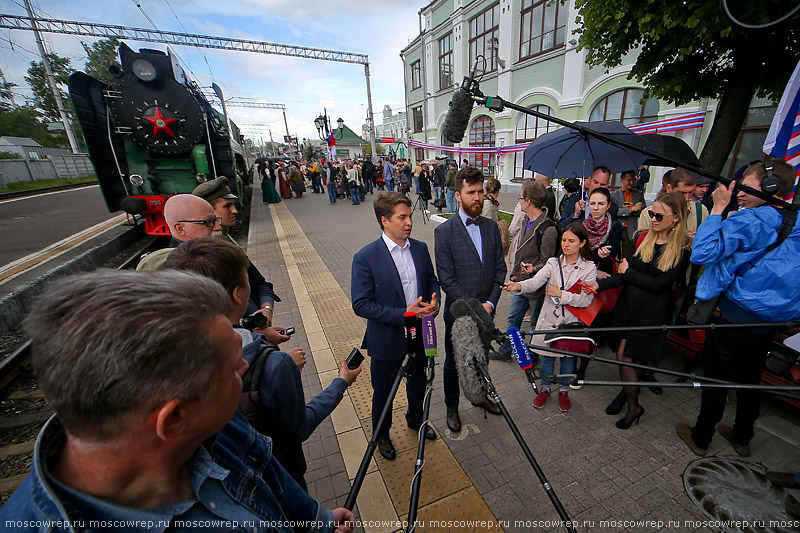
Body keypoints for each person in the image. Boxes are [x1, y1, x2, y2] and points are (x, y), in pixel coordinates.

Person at [0, 269, 354, 532]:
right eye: (233, 370)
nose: (246, 365)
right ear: (174, 419)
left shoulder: (217, 422)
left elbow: (269, 473)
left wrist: (317, 520)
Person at [163, 238, 362, 488]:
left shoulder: (170, 355)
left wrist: (258, 334)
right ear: (238, 295)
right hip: (279, 478)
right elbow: (300, 426)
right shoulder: (273, 365)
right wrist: (341, 382)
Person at [677, 159, 800, 457]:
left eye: (746, 185)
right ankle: (743, 438)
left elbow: (703, 253)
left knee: (716, 377)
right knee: (750, 379)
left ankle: (702, 437)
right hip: (771, 320)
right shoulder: (795, 220)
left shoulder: (750, 220)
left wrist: (718, 209)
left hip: (735, 315)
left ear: (770, 188)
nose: (738, 191)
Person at [587, 192, 690, 430]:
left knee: (627, 356)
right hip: (629, 307)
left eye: (659, 215)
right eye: (651, 213)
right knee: (626, 357)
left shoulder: (682, 250)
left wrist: (630, 273)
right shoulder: (643, 238)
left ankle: (634, 407)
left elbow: (659, 285)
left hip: (651, 313)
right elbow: (624, 274)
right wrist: (599, 284)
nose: (653, 219)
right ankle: (625, 397)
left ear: (676, 218)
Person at [351, 192, 440, 461]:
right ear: (385, 221)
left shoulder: (421, 248)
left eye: (410, 216)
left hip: (420, 336)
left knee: (418, 383)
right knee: (384, 393)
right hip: (387, 340)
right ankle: (382, 435)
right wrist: (403, 313)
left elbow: (431, 282)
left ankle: (416, 420)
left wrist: (434, 302)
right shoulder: (365, 257)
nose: (409, 222)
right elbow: (361, 304)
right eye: (402, 217)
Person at [434, 167, 507, 432]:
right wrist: (476, 308)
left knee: (482, 358)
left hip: (487, 310)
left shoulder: (490, 227)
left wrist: (491, 303)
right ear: (459, 194)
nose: (478, 197)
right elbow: (447, 279)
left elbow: (500, 269)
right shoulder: (444, 233)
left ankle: (481, 397)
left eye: (480, 192)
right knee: (455, 362)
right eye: (471, 192)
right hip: (459, 315)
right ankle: (451, 407)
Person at [503, 223, 597, 412]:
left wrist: (561, 295)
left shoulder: (589, 268)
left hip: (570, 324)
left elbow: (585, 301)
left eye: (571, 241)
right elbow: (535, 282)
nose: (566, 244)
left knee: (568, 360)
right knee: (546, 358)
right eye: (564, 240)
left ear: (582, 243)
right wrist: (518, 287)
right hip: (548, 320)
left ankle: (563, 391)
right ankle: (545, 388)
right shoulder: (553, 263)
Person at [494, 180, 558, 361]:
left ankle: (535, 353)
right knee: (513, 319)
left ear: (529, 201)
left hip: (536, 286)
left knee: (535, 322)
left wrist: (534, 269)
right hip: (520, 282)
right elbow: (519, 251)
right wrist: (514, 274)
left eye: (521, 198)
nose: (519, 201)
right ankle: (506, 350)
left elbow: (548, 262)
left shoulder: (548, 228)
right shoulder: (525, 220)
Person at [583, 187, 623, 278]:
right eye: (592, 203)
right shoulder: (582, 225)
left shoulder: (615, 226)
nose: (596, 208)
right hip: (582, 272)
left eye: (601, 204)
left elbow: (613, 253)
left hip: (604, 275)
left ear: (608, 205)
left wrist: (604, 253)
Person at [611, 170, 646, 259]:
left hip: (631, 231)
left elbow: (644, 212)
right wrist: (629, 209)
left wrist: (636, 209)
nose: (631, 183)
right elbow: (612, 212)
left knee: (627, 256)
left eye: (633, 180)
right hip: (617, 228)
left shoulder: (638, 194)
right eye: (629, 180)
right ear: (622, 180)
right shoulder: (614, 195)